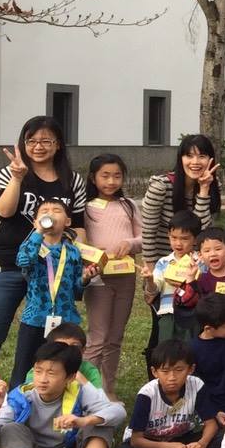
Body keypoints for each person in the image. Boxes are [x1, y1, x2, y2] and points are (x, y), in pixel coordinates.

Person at [0, 116, 88, 368]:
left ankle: (44, 391)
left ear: (58, 144)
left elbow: (78, 224)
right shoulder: (8, 173)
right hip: (6, 266)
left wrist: (80, 260)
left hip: (51, 273)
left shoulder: (73, 180)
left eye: (46, 140)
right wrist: (17, 178)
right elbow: (3, 212)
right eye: (32, 140)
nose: (38, 146)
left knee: (48, 339)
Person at [11, 199, 99, 387]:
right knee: (26, 363)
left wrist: (84, 278)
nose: (50, 214)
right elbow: (23, 260)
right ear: (35, 222)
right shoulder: (31, 246)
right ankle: (18, 403)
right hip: (35, 319)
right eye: (44, 211)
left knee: (65, 364)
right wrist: (39, 233)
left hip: (66, 319)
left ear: (67, 221)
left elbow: (76, 290)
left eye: (56, 210)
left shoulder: (73, 252)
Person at [113, 339, 220, 448]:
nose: (172, 378)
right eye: (165, 371)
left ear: (191, 369)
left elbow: (210, 423)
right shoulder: (147, 395)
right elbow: (136, 440)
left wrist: (201, 444)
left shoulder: (196, 385)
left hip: (182, 438)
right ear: (154, 372)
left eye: (179, 370)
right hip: (150, 441)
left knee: (222, 435)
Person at [80, 153, 141, 397]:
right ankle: (86, 391)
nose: (111, 181)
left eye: (117, 176)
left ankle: (108, 389)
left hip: (125, 275)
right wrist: (93, 257)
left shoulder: (128, 205)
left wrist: (129, 243)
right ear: (93, 178)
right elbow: (79, 241)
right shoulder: (85, 207)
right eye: (105, 175)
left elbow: (143, 237)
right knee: (98, 337)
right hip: (98, 278)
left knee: (115, 337)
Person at [139, 134, 219, 266]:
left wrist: (204, 189)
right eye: (189, 156)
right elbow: (148, 233)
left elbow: (201, 232)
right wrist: (152, 272)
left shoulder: (212, 186)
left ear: (211, 160)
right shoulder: (160, 187)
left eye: (202, 156)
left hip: (195, 266)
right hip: (163, 263)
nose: (195, 162)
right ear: (180, 159)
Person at [147, 211, 203, 349]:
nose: (178, 243)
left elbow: (203, 286)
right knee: (167, 350)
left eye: (184, 239)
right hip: (168, 312)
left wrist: (190, 282)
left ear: (195, 239)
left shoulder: (200, 261)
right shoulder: (164, 262)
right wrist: (149, 279)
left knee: (190, 349)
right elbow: (156, 288)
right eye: (174, 238)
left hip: (193, 314)